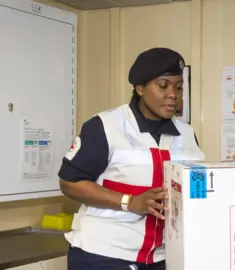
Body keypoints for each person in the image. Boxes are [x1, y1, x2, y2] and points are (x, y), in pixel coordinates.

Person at [58, 47, 204, 270]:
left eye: (179, 86)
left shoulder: (186, 134)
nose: (173, 94)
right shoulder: (106, 126)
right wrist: (130, 202)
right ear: (140, 88)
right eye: (163, 86)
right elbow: (70, 182)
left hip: (162, 258)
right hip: (103, 256)